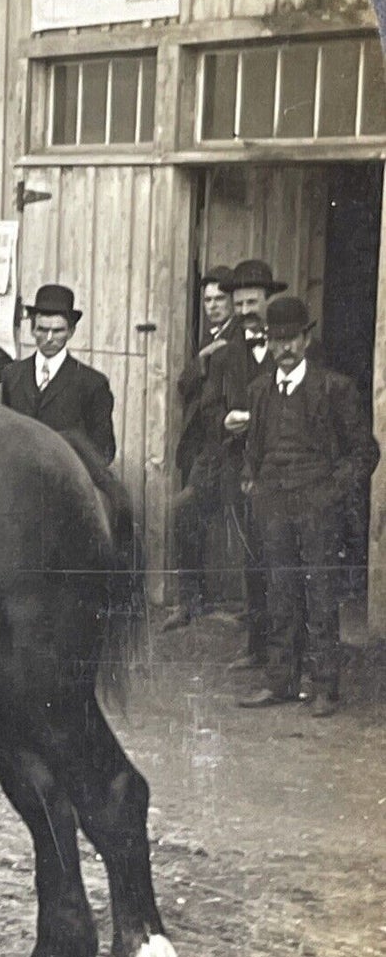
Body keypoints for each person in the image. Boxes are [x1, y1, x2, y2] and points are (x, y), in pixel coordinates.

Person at [237, 297, 379, 717]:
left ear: (306, 338)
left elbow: (364, 453)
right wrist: (253, 481)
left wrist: (331, 492)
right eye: (276, 339)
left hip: (318, 508)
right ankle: (280, 682)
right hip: (274, 507)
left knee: (320, 595)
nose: (284, 348)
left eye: (291, 339)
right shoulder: (260, 390)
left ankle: (325, 688)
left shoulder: (335, 388)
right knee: (279, 591)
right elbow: (254, 447)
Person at [206, 258, 285, 670]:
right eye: (237, 304)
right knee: (253, 560)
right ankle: (257, 647)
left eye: (251, 301)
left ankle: (289, 650)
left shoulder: (292, 347)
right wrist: (225, 421)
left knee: (286, 562)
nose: (242, 311)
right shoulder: (224, 357)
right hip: (243, 471)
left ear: (269, 300)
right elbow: (209, 410)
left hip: (286, 473)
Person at [161, 265, 242, 630]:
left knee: (237, 523)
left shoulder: (240, 338)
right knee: (187, 517)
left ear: (234, 302)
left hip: (229, 447)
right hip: (203, 448)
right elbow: (183, 386)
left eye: (219, 299)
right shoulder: (211, 339)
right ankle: (192, 601)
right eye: (207, 299)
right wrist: (203, 358)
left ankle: (236, 608)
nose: (212, 306)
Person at [0, 284, 116, 463]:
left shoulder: (92, 383)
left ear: (70, 332)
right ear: (32, 330)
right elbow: (3, 435)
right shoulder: (12, 375)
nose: (49, 338)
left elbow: (104, 451)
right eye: (42, 329)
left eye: (58, 331)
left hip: (65, 483)